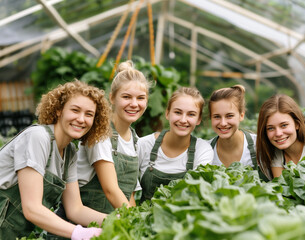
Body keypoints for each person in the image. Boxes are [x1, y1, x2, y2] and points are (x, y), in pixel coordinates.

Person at [0, 80, 111, 239]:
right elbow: (32, 208)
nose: (81, 119)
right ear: (59, 110)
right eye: (75, 110)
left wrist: (117, 221)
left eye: (89, 114)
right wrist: (78, 232)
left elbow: (75, 210)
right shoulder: (38, 137)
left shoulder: (70, 153)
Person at [77, 60, 151, 212]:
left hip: (115, 224)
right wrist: (133, 222)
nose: (134, 104)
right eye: (126, 97)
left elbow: (128, 195)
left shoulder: (134, 140)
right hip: (84, 227)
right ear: (112, 98)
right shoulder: (101, 133)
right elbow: (111, 190)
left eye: (141, 98)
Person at [138, 86, 213, 202]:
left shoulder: (202, 150)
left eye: (191, 114)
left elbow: (197, 195)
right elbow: (127, 188)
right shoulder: (144, 144)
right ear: (167, 113)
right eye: (178, 112)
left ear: (198, 119)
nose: (183, 120)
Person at [256, 94, 305, 180]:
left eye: (284, 125)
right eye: (270, 128)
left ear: (297, 124)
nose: (278, 133)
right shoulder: (277, 156)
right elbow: (281, 190)